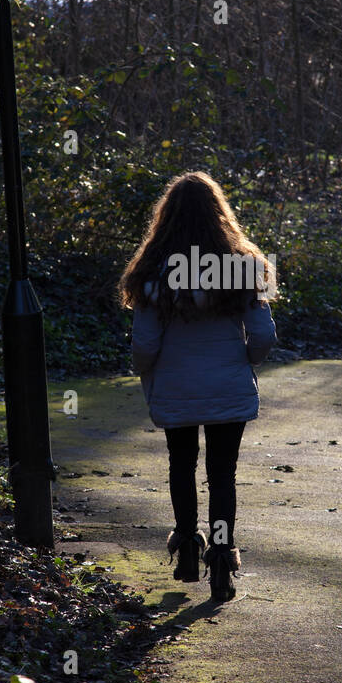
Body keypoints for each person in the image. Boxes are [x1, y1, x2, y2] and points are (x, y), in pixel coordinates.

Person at [118, 171, 276, 603]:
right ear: (219, 215)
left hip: (176, 387)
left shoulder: (151, 275)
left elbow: (145, 344)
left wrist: (147, 372)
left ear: (165, 218)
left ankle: (188, 544)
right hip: (228, 388)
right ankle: (223, 556)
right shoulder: (245, 269)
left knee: (181, 464)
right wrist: (243, 363)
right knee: (223, 474)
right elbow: (262, 337)